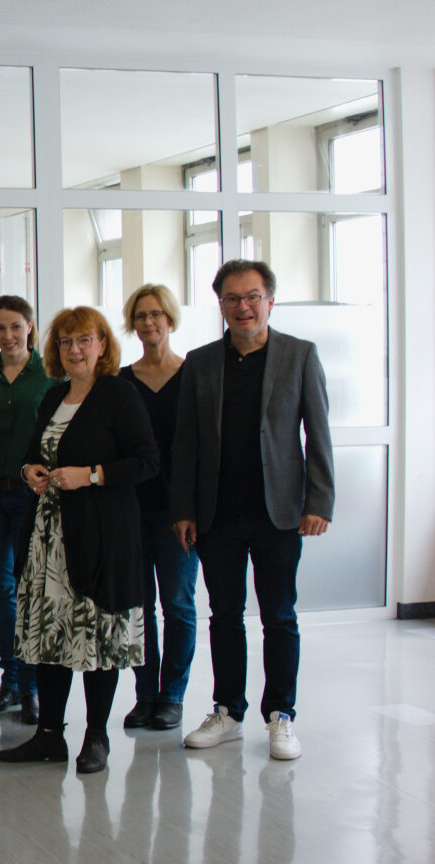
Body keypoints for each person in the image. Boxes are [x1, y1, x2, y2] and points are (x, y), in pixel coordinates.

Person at [172, 260, 333, 761]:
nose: (244, 306)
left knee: (279, 615)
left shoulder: (299, 355)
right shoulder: (200, 362)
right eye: (233, 298)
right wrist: (183, 508)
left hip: (279, 511)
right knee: (225, 616)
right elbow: (186, 441)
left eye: (253, 296)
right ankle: (229, 710)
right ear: (220, 304)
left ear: (270, 300)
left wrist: (318, 500)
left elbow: (318, 432)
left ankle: (281, 714)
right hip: (217, 512)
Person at [0, 307, 157, 774]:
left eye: (84, 340)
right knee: (51, 634)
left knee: (96, 637)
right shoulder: (54, 397)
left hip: (102, 535)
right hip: (49, 537)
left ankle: (97, 736)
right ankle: (49, 735)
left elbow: (147, 461)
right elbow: (33, 453)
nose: (75, 350)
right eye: (65, 342)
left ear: (103, 345)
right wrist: (30, 471)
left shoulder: (119, 395)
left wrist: (91, 475)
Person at [117, 284, 199, 732]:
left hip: (178, 513)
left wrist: (193, 509)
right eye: (141, 315)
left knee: (179, 605)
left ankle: (173, 697)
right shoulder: (122, 381)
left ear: (170, 319)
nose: (149, 323)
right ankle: (145, 694)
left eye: (156, 314)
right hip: (131, 510)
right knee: (139, 608)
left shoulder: (194, 375)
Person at [0, 295, 54, 725]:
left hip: (30, 497)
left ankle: (33, 684)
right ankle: (12, 679)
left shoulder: (49, 374)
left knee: (30, 589)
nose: (8, 336)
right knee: (1, 590)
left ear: (30, 326)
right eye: (0, 328)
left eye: (16, 327)